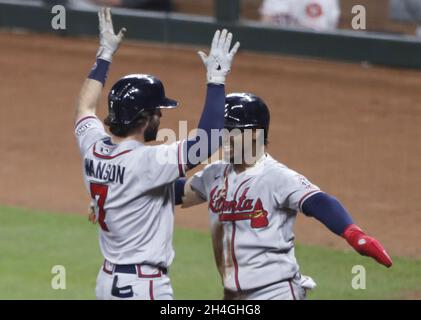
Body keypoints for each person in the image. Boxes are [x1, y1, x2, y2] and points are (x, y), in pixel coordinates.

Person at [75, 7, 240, 299]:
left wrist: (104, 56)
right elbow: (208, 139)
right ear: (144, 118)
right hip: (142, 287)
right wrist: (216, 81)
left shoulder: (93, 148)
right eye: (157, 112)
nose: (160, 118)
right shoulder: (147, 162)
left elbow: (85, 108)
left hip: (107, 283)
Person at [179, 93, 392, 300]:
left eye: (231, 131)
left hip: (275, 292)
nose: (223, 138)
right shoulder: (214, 174)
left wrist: (354, 235)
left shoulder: (276, 176)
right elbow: (177, 193)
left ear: (254, 133)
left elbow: (319, 201)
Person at [260, 0, 341, 32]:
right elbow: (265, 27)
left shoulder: (325, 2)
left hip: (311, 57)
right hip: (275, 52)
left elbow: (316, 39)